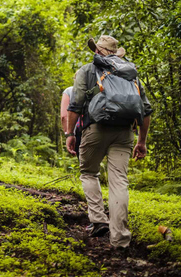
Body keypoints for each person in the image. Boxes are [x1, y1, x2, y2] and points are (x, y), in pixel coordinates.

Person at [66, 35, 153, 249]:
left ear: (97, 51)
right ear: (116, 53)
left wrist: (70, 133)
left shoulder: (87, 70)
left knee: (88, 172)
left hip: (95, 129)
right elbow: (146, 110)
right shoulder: (130, 72)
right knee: (119, 182)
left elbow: (75, 105)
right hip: (124, 132)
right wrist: (141, 141)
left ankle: (98, 220)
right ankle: (120, 239)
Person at [60, 86, 82, 158]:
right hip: (99, 129)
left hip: (78, 131)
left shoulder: (69, 90)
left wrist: (69, 135)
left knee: (86, 164)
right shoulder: (96, 88)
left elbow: (64, 116)